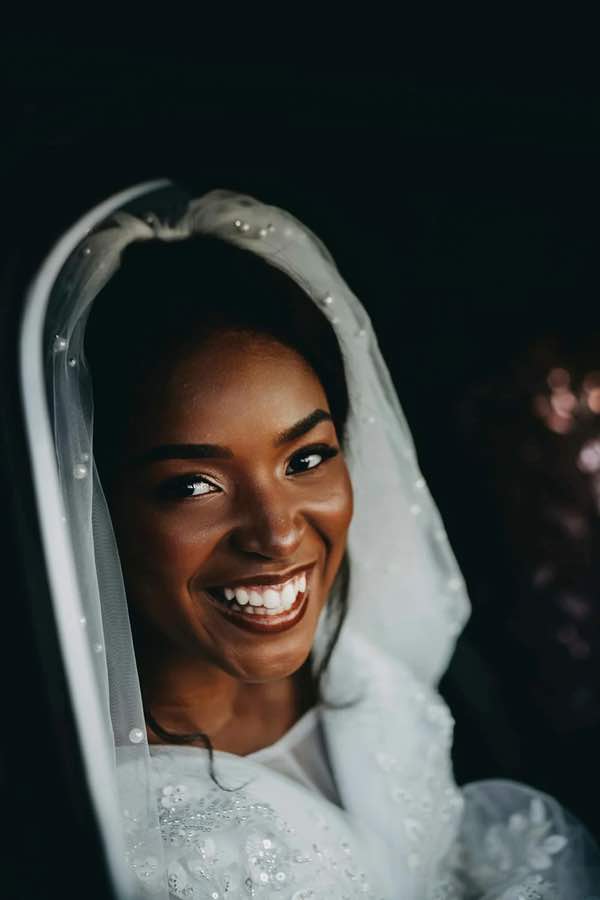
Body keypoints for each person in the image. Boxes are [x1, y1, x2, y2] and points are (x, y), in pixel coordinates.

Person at [43, 184, 600, 898]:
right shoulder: (91, 823)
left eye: (306, 459)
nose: (277, 535)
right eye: (193, 485)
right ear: (91, 505)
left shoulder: (364, 647)